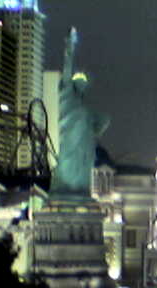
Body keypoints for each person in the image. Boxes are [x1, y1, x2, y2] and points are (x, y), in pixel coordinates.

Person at [50, 28, 110, 199]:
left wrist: (95, 132)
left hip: (84, 147)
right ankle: (67, 190)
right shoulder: (67, 96)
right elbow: (67, 73)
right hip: (70, 144)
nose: (82, 85)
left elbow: (104, 120)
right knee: (68, 170)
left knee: (82, 172)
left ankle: (79, 192)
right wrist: (70, 50)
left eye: (85, 84)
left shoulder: (85, 109)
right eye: (80, 82)